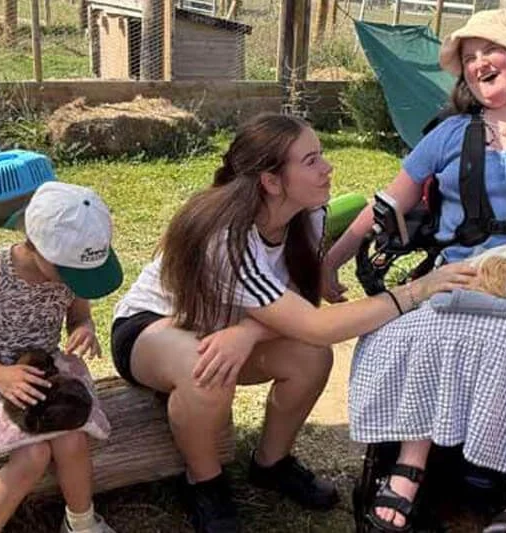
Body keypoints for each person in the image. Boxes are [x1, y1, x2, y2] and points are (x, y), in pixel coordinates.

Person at [322, 9, 506, 533]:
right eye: (468, 55)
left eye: (490, 49)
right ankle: (410, 464)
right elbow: (386, 206)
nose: (478, 62)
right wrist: (331, 260)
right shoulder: (450, 134)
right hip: (456, 278)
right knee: (410, 336)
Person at [110, 112, 475, 533]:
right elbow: (318, 323)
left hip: (229, 324)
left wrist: (247, 332)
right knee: (205, 370)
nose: (327, 167)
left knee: (311, 357)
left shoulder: (308, 215)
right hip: (155, 327)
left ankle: (271, 462)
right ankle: (204, 482)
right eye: (311, 160)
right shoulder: (225, 239)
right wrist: (417, 290)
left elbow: (301, 312)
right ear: (270, 181)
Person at [0, 182, 124, 533]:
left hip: (43, 371)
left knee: (72, 438)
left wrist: (84, 328)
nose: (77, 282)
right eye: (74, 274)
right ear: (38, 245)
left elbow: (79, 315)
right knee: (34, 455)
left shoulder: (71, 277)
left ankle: (80, 522)